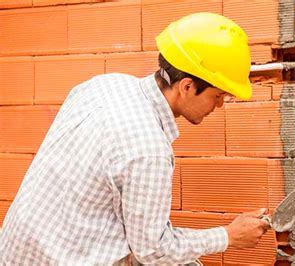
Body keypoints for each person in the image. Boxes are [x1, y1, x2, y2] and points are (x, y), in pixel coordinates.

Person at [0, 12, 270, 265]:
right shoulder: (147, 149)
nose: (220, 106)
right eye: (218, 96)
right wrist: (228, 235)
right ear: (187, 86)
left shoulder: (103, 85)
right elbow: (153, 250)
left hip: (16, 252)